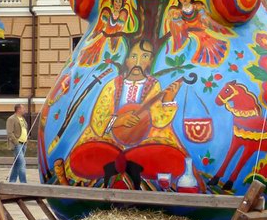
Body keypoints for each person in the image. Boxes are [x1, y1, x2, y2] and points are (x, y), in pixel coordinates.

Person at [67, 38, 186, 188]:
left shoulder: (153, 85)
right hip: (110, 139)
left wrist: (168, 100)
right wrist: (117, 121)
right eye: (134, 56)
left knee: (171, 159)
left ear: (150, 61)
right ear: (127, 60)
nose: (138, 62)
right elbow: (98, 119)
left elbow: (158, 121)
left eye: (144, 57)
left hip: (143, 141)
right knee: (84, 156)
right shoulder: (113, 85)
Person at [6, 104, 28, 183]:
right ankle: (23, 183)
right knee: (22, 163)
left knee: (17, 164)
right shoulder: (11, 119)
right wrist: (16, 142)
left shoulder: (22, 119)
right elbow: (10, 133)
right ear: (18, 109)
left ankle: (12, 181)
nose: (25, 109)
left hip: (24, 144)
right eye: (23, 108)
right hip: (17, 145)